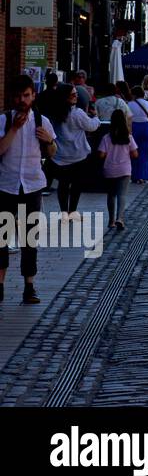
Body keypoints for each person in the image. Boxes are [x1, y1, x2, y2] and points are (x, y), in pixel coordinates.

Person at [0, 76, 57, 305]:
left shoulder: (42, 121)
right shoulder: (4, 120)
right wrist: (14, 129)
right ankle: (0, 286)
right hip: (6, 186)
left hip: (32, 185)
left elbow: (53, 153)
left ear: (33, 96)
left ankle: (29, 286)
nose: (22, 100)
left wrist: (49, 139)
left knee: (29, 239)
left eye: (26, 95)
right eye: (18, 96)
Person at [45, 84, 100, 220]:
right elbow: (91, 127)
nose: (76, 96)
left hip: (60, 155)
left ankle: (64, 212)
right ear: (66, 97)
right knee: (76, 185)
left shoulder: (53, 113)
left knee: (63, 185)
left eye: (76, 94)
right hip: (77, 155)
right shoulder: (77, 113)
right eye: (73, 94)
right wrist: (96, 118)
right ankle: (72, 212)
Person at [97, 109, 137, 231]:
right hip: (124, 169)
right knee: (122, 195)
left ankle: (111, 220)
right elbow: (135, 154)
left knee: (111, 195)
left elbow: (101, 155)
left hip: (109, 170)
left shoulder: (106, 138)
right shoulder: (128, 137)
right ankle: (120, 218)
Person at [127, 86, 148, 186]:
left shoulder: (129, 104)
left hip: (134, 128)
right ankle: (144, 177)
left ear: (134, 94)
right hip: (146, 128)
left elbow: (127, 118)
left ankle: (135, 176)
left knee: (134, 152)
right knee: (146, 153)